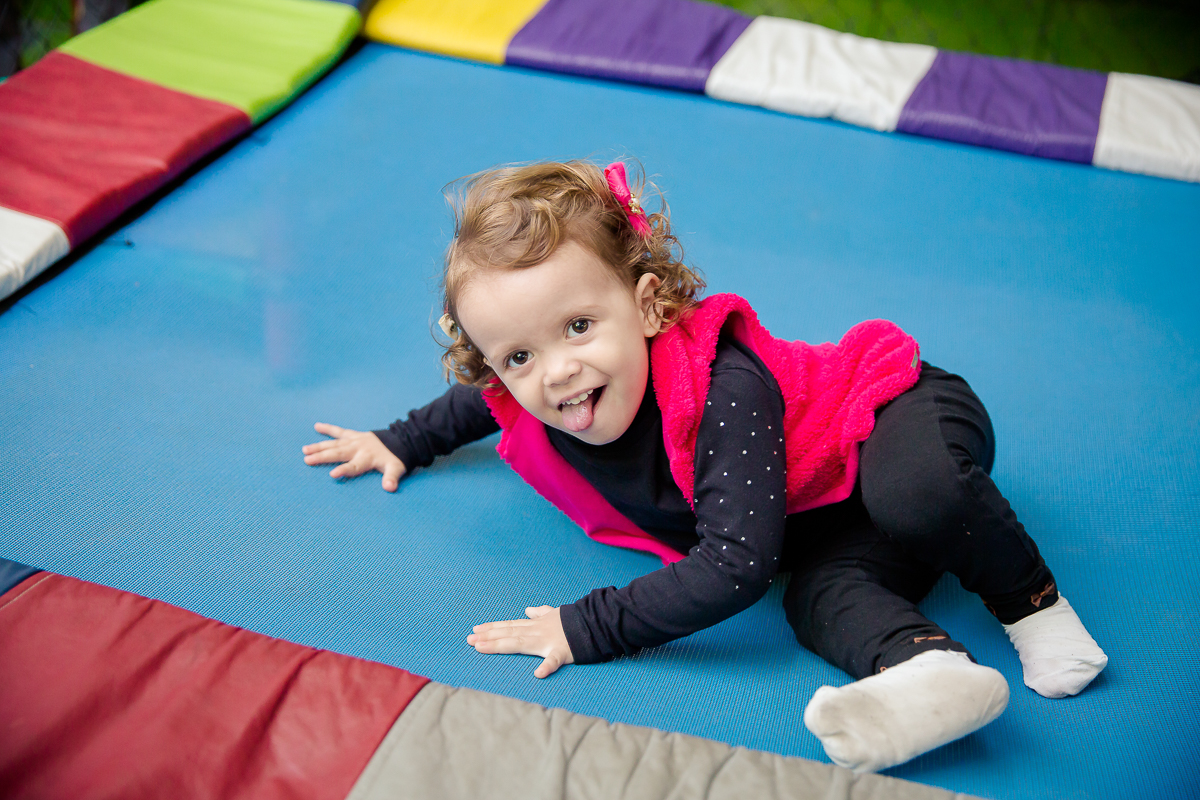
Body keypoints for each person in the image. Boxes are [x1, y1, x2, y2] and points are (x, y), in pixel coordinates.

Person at [301, 159, 1108, 773]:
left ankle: (1033, 606)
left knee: (917, 494)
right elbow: (480, 401)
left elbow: (736, 564)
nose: (554, 372)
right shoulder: (526, 384)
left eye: (580, 325)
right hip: (822, 519)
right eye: (518, 353)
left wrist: (590, 625)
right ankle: (934, 673)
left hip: (893, 416)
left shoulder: (722, 391)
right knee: (822, 598)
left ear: (649, 305)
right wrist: (401, 440)